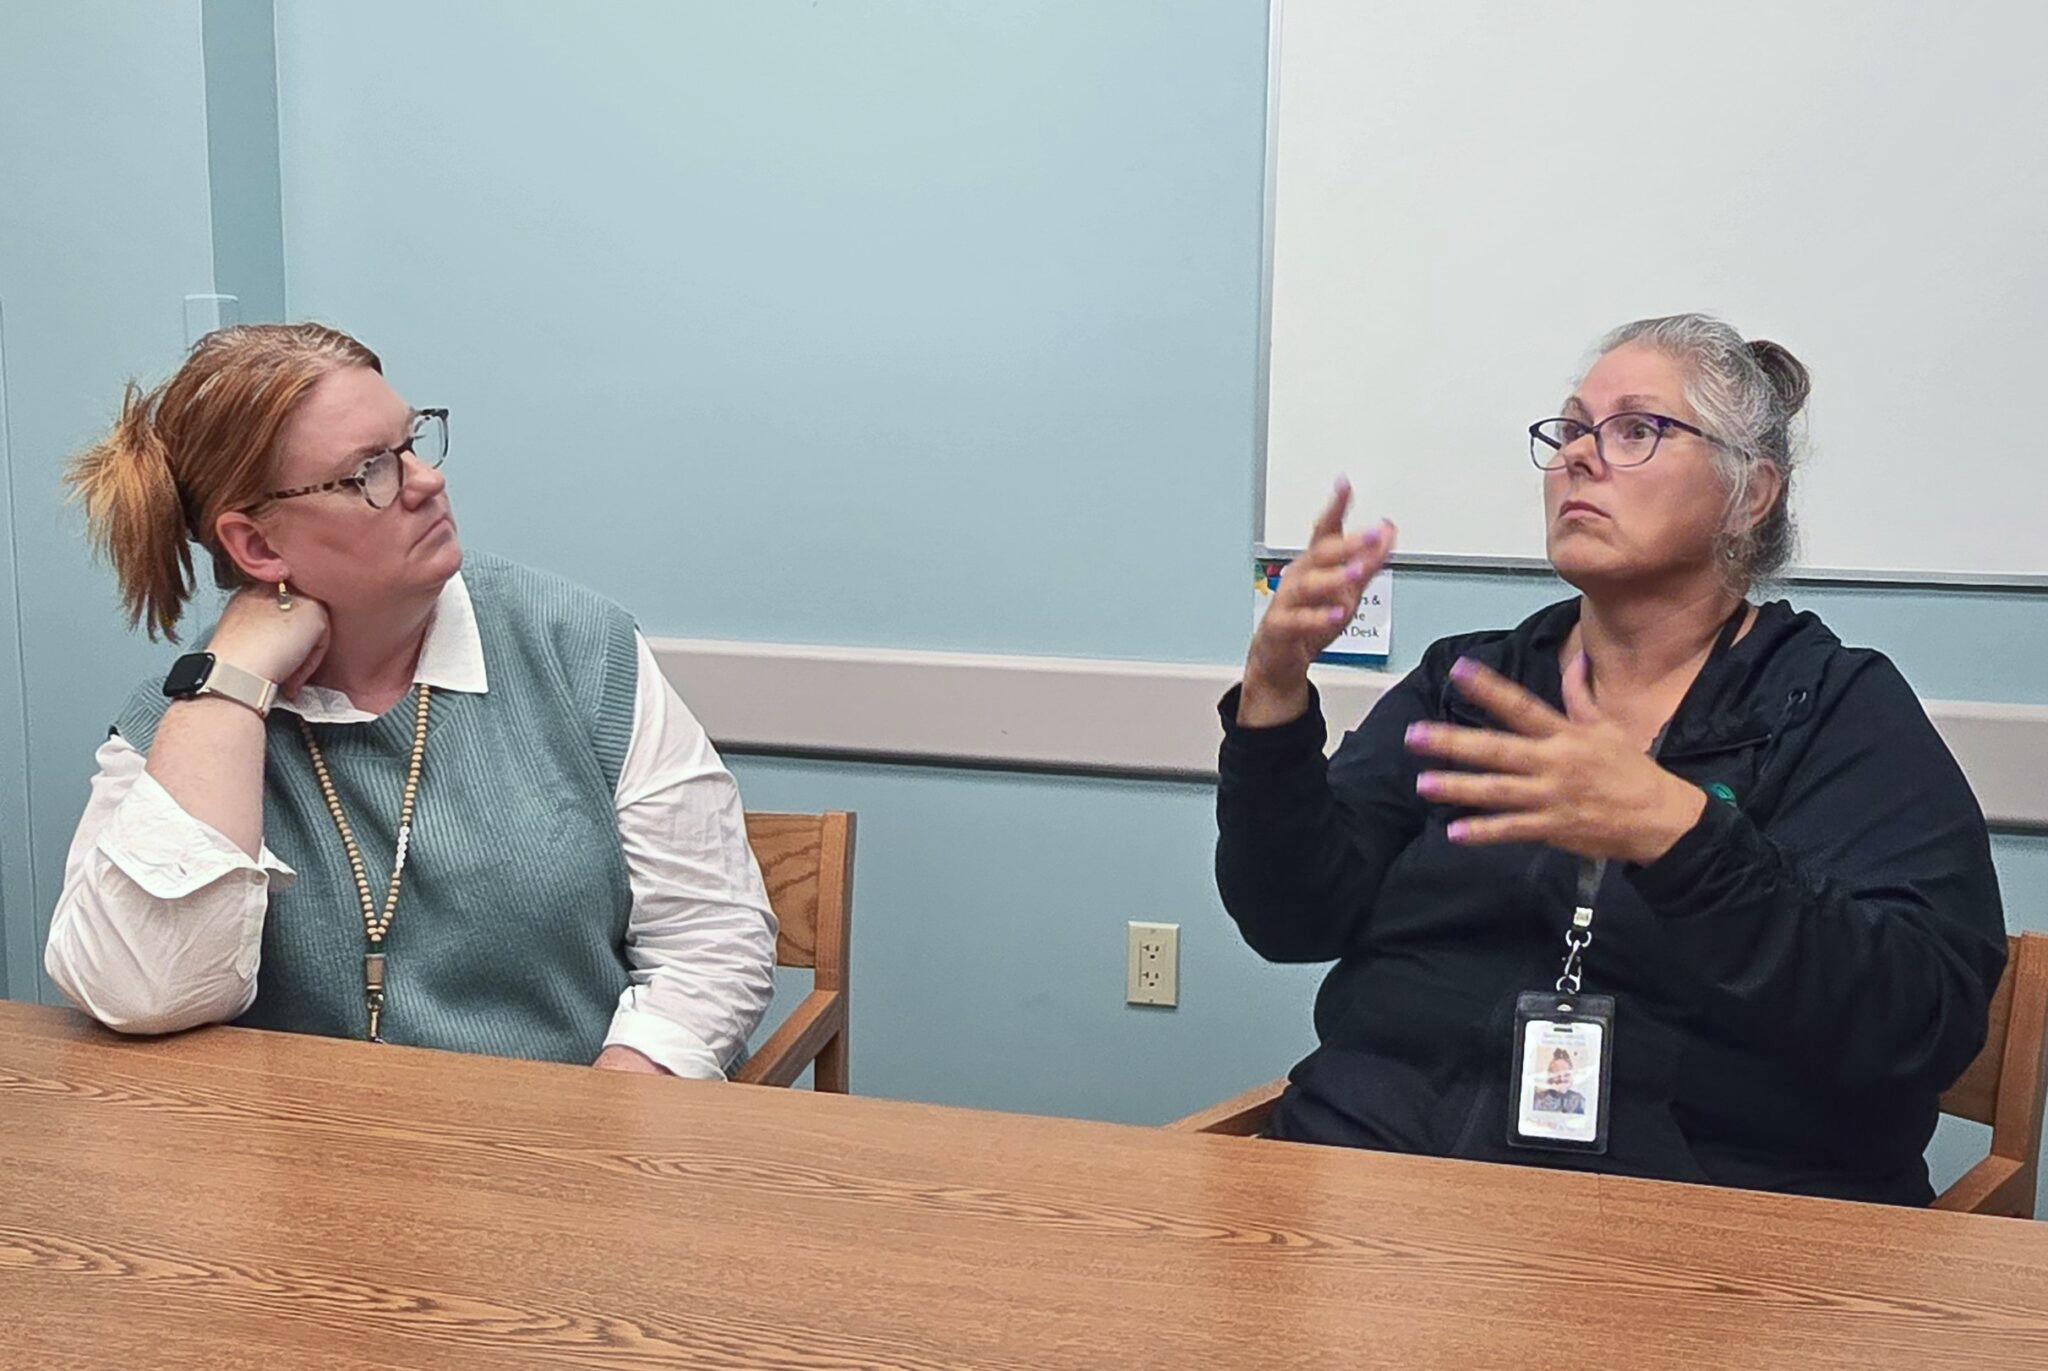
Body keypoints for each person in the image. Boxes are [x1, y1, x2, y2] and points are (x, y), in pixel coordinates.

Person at [1216, 313, 2005, 1204]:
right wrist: (1273, 698)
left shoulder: (1832, 711)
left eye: (1637, 429)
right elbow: (1289, 918)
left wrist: (1683, 835)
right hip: (1378, 1197)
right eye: (1570, 429)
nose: (1579, 458)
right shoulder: (1471, 685)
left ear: (1752, 494)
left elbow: (1921, 1022)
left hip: (1696, 1246)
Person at [46, 323, 777, 1080]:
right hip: (294, 1168)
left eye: (410, 443)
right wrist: (229, 680)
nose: (426, 481)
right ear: (259, 547)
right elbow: (142, 992)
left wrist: (601, 1126)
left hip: (567, 1151)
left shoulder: (576, 646)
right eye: (369, 470)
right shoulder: (181, 720)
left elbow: (712, 937)